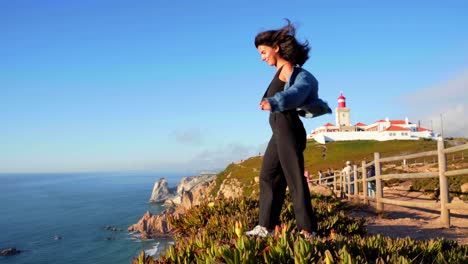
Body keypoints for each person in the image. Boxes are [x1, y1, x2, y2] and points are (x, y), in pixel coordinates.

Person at [245, 19, 331, 239]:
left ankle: (308, 230)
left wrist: (274, 102)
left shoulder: (289, 69)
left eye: (264, 52)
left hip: (288, 130)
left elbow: (298, 92)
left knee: (294, 179)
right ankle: (265, 226)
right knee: (267, 176)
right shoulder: (279, 70)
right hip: (279, 132)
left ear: (276, 48)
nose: (262, 58)